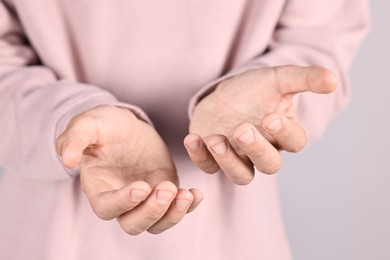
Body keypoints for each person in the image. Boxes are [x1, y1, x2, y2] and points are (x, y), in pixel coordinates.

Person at [0, 0, 369, 259]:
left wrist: (273, 107)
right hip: (45, 236)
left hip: (236, 238)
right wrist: (67, 118)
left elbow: (319, 40)